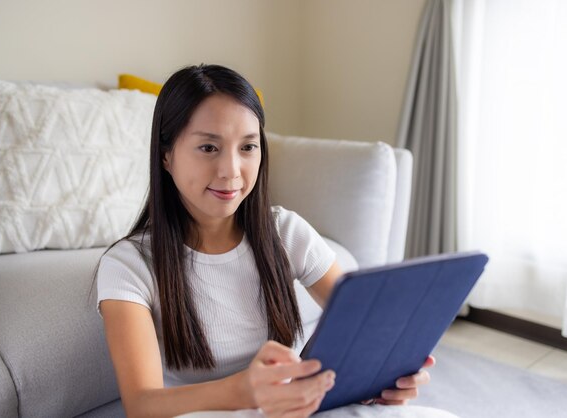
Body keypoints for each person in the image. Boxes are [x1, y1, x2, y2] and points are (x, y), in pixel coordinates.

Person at [96, 64, 434, 418]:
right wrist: (244, 391)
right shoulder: (129, 265)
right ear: (166, 155)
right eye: (209, 147)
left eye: (248, 147)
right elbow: (142, 405)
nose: (231, 171)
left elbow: (366, 335)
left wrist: (377, 381)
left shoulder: (285, 231)